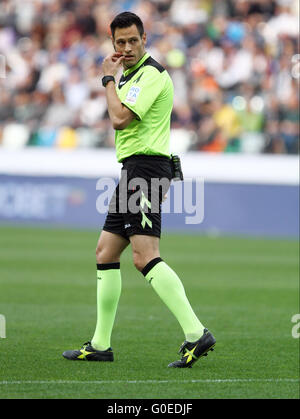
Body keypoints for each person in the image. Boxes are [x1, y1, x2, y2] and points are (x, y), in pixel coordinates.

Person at [62, 11, 216, 368]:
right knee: (105, 252)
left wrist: (106, 79)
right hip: (135, 169)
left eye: (133, 40)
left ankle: (196, 333)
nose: (127, 47)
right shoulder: (131, 75)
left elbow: (119, 118)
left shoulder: (150, 75)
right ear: (112, 43)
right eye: (120, 42)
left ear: (144, 39)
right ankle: (101, 344)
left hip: (145, 170)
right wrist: (115, 79)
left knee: (144, 256)